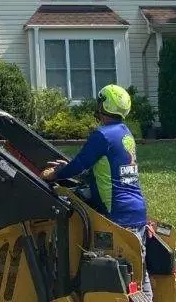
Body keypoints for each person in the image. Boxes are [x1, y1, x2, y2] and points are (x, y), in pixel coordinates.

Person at [41, 84, 152, 301]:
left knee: (115, 276)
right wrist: (70, 167)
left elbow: (80, 164)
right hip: (136, 212)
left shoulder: (102, 135)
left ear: (104, 106)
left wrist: (54, 174)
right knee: (138, 271)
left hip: (117, 215)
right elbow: (106, 168)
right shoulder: (124, 133)